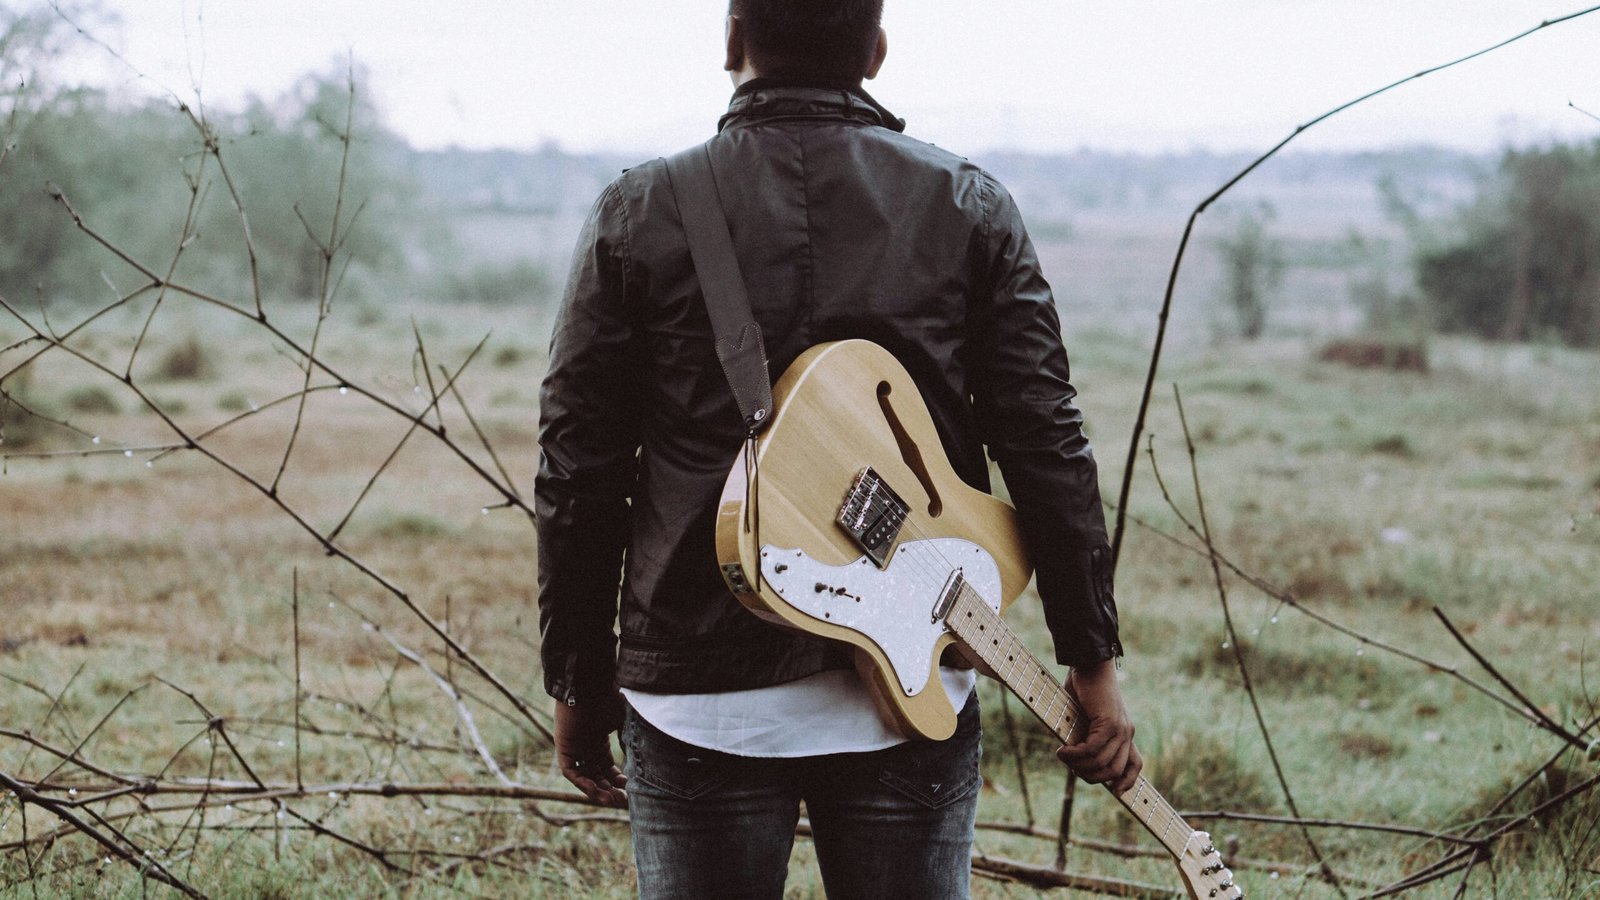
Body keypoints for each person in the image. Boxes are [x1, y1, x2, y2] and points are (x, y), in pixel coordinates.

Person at [535, 2, 1141, 896]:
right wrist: (1090, 657)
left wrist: (578, 683)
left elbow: (578, 469)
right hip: (910, 692)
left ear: (732, 42)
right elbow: (1046, 439)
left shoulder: (642, 209)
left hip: (699, 698)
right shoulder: (967, 205)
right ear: (877, 51)